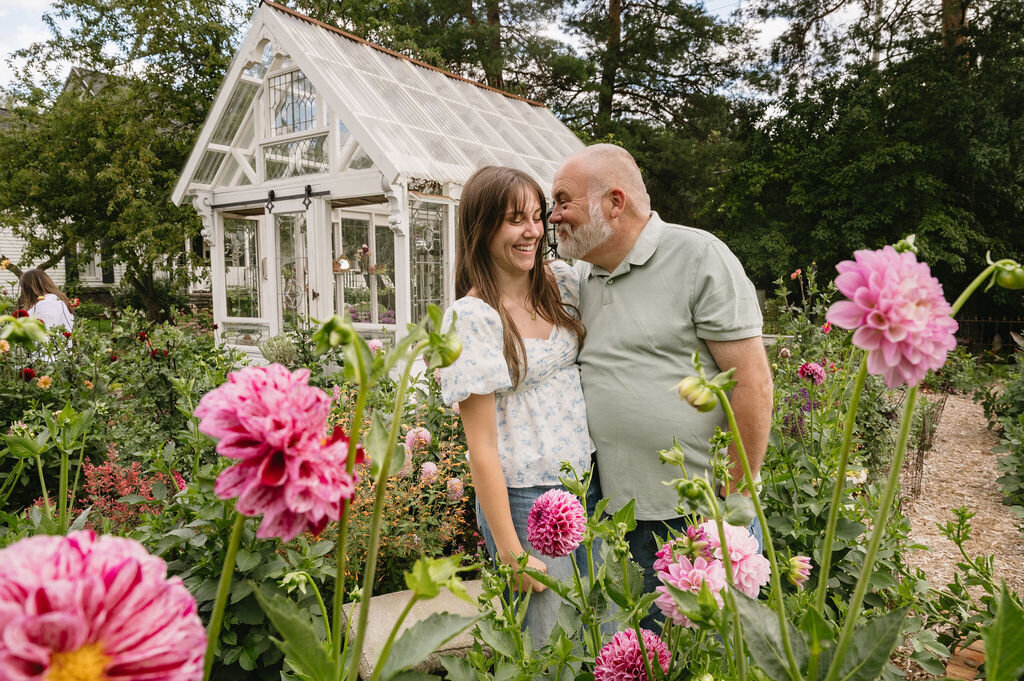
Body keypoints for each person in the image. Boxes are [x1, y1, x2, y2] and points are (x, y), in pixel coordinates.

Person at [549, 144, 774, 608]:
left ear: (615, 202)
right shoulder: (583, 276)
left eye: (562, 201)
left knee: (712, 659)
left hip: (696, 516)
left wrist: (730, 507)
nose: (553, 216)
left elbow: (753, 384)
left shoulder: (699, 257)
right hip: (617, 514)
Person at [440, 165, 594, 643]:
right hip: (528, 500)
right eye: (514, 220)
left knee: (596, 631)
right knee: (548, 648)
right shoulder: (472, 318)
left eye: (536, 216)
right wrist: (510, 549)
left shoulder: (560, 285)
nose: (532, 232)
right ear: (481, 229)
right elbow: (481, 448)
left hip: (586, 485)